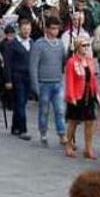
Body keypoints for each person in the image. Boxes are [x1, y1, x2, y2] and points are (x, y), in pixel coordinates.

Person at [30, 17, 68, 148]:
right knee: (44, 111)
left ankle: (62, 134)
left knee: (60, 110)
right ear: (46, 29)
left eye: (57, 28)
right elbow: (33, 66)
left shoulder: (60, 44)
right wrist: (35, 85)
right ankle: (43, 133)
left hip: (57, 81)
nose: (55, 31)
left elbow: (64, 61)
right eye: (53, 28)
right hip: (43, 83)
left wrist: (70, 54)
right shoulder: (39, 44)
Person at [64, 37, 99, 159]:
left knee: (90, 121)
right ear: (78, 47)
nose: (86, 47)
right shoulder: (72, 62)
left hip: (88, 94)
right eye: (83, 45)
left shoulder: (90, 61)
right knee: (73, 121)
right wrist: (70, 96)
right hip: (77, 94)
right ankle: (69, 145)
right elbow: (69, 81)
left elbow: (94, 78)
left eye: (87, 45)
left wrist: (97, 94)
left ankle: (88, 148)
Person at [4, 19, 33, 140]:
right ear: (19, 29)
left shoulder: (33, 43)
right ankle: (23, 129)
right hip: (17, 76)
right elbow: (7, 63)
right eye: (24, 29)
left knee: (21, 102)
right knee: (20, 102)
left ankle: (15, 126)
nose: (26, 31)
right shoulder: (12, 44)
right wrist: (8, 80)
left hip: (29, 77)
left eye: (28, 29)